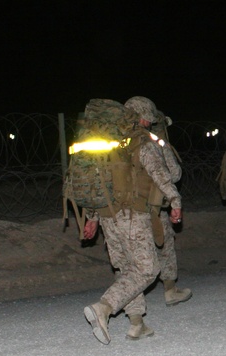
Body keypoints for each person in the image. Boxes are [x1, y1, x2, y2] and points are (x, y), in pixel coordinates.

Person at [82, 96, 182, 343]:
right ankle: (104, 307)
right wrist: (175, 201)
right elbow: (162, 174)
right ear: (144, 117)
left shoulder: (105, 141)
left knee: (128, 269)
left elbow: (98, 182)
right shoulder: (141, 142)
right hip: (133, 216)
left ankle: (137, 324)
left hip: (107, 216)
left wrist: (92, 218)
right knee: (148, 269)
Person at [152, 110, 192, 307]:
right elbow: (175, 174)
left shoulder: (119, 140)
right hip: (153, 205)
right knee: (165, 245)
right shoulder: (156, 142)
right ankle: (170, 290)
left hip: (124, 208)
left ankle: (130, 296)